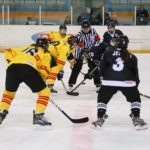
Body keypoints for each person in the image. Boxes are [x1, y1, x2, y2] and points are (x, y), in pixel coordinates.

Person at [92, 35, 148, 130]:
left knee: (102, 99)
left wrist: (104, 82)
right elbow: (136, 76)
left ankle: (100, 118)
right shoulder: (132, 56)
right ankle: (136, 118)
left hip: (108, 82)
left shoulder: (108, 53)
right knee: (135, 100)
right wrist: (135, 89)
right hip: (127, 83)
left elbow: (101, 69)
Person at [0, 38, 52, 126]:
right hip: (28, 69)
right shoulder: (46, 54)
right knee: (45, 92)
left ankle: (1, 113)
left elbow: (9, 51)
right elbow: (44, 71)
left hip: (12, 68)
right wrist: (41, 83)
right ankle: (38, 116)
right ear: (46, 46)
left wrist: (11, 62)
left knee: (8, 94)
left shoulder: (26, 47)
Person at [68, 20, 101, 90]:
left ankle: (98, 82)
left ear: (89, 27)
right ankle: (71, 82)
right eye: (84, 28)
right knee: (77, 66)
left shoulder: (93, 31)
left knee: (93, 65)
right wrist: (81, 53)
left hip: (91, 50)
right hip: (81, 50)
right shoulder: (79, 34)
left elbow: (98, 40)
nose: (85, 29)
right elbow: (78, 45)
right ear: (81, 28)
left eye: (87, 28)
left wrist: (92, 49)